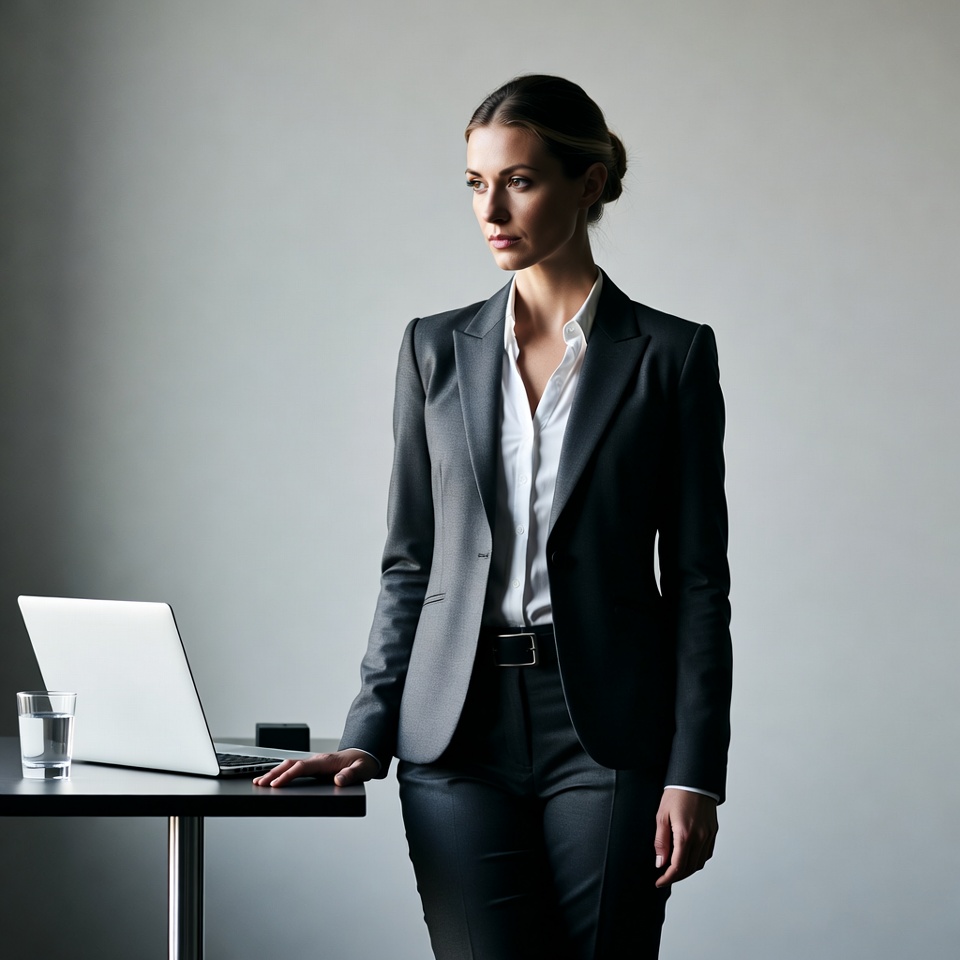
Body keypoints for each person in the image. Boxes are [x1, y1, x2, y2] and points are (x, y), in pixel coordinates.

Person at [255, 74, 732, 960]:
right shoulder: (434, 348)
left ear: (587, 185)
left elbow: (700, 583)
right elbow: (411, 562)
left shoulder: (671, 356)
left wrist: (695, 772)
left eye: (519, 180)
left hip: (609, 734)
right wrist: (366, 732)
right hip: (453, 731)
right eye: (477, 183)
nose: (492, 208)